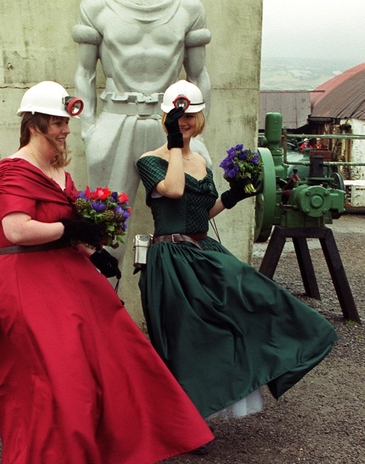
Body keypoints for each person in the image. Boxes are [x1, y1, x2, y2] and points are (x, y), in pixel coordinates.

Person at [0, 81, 214, 464]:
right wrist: (71, 230)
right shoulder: (12, 169)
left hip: (64, 279)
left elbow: (68, 230)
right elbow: (16, 229)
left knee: (117, 355)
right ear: (35, 124)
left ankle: (35, 461)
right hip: (23, 282)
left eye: (66, 121)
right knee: (56, 377)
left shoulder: (60, 174)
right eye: (58, 121)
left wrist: (93, 248)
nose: (65, 129)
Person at [135, 80, 338, 421]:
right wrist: (172, 145)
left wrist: (234, 195)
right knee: (188, 340)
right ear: (165, 117)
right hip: (171, 259)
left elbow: (204, 210)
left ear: (199, 118)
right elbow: (172, 190)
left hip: (202, 250)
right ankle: (187, 419)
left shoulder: (200, 160)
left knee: (253, 300)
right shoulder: (149, 160)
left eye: (190, 116)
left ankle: (288, 354)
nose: (183, 121)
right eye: (176, 115)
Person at [73, 0, 213, 265]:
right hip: (115, 116)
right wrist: (88, 129)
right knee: (105, 225)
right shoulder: (96, 6)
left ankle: (180, 294)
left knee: (185, 219)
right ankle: (99, 302)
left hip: (169, 121)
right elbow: (84, 71)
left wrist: (198, 136)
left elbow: (199, 74)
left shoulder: (188, 8)